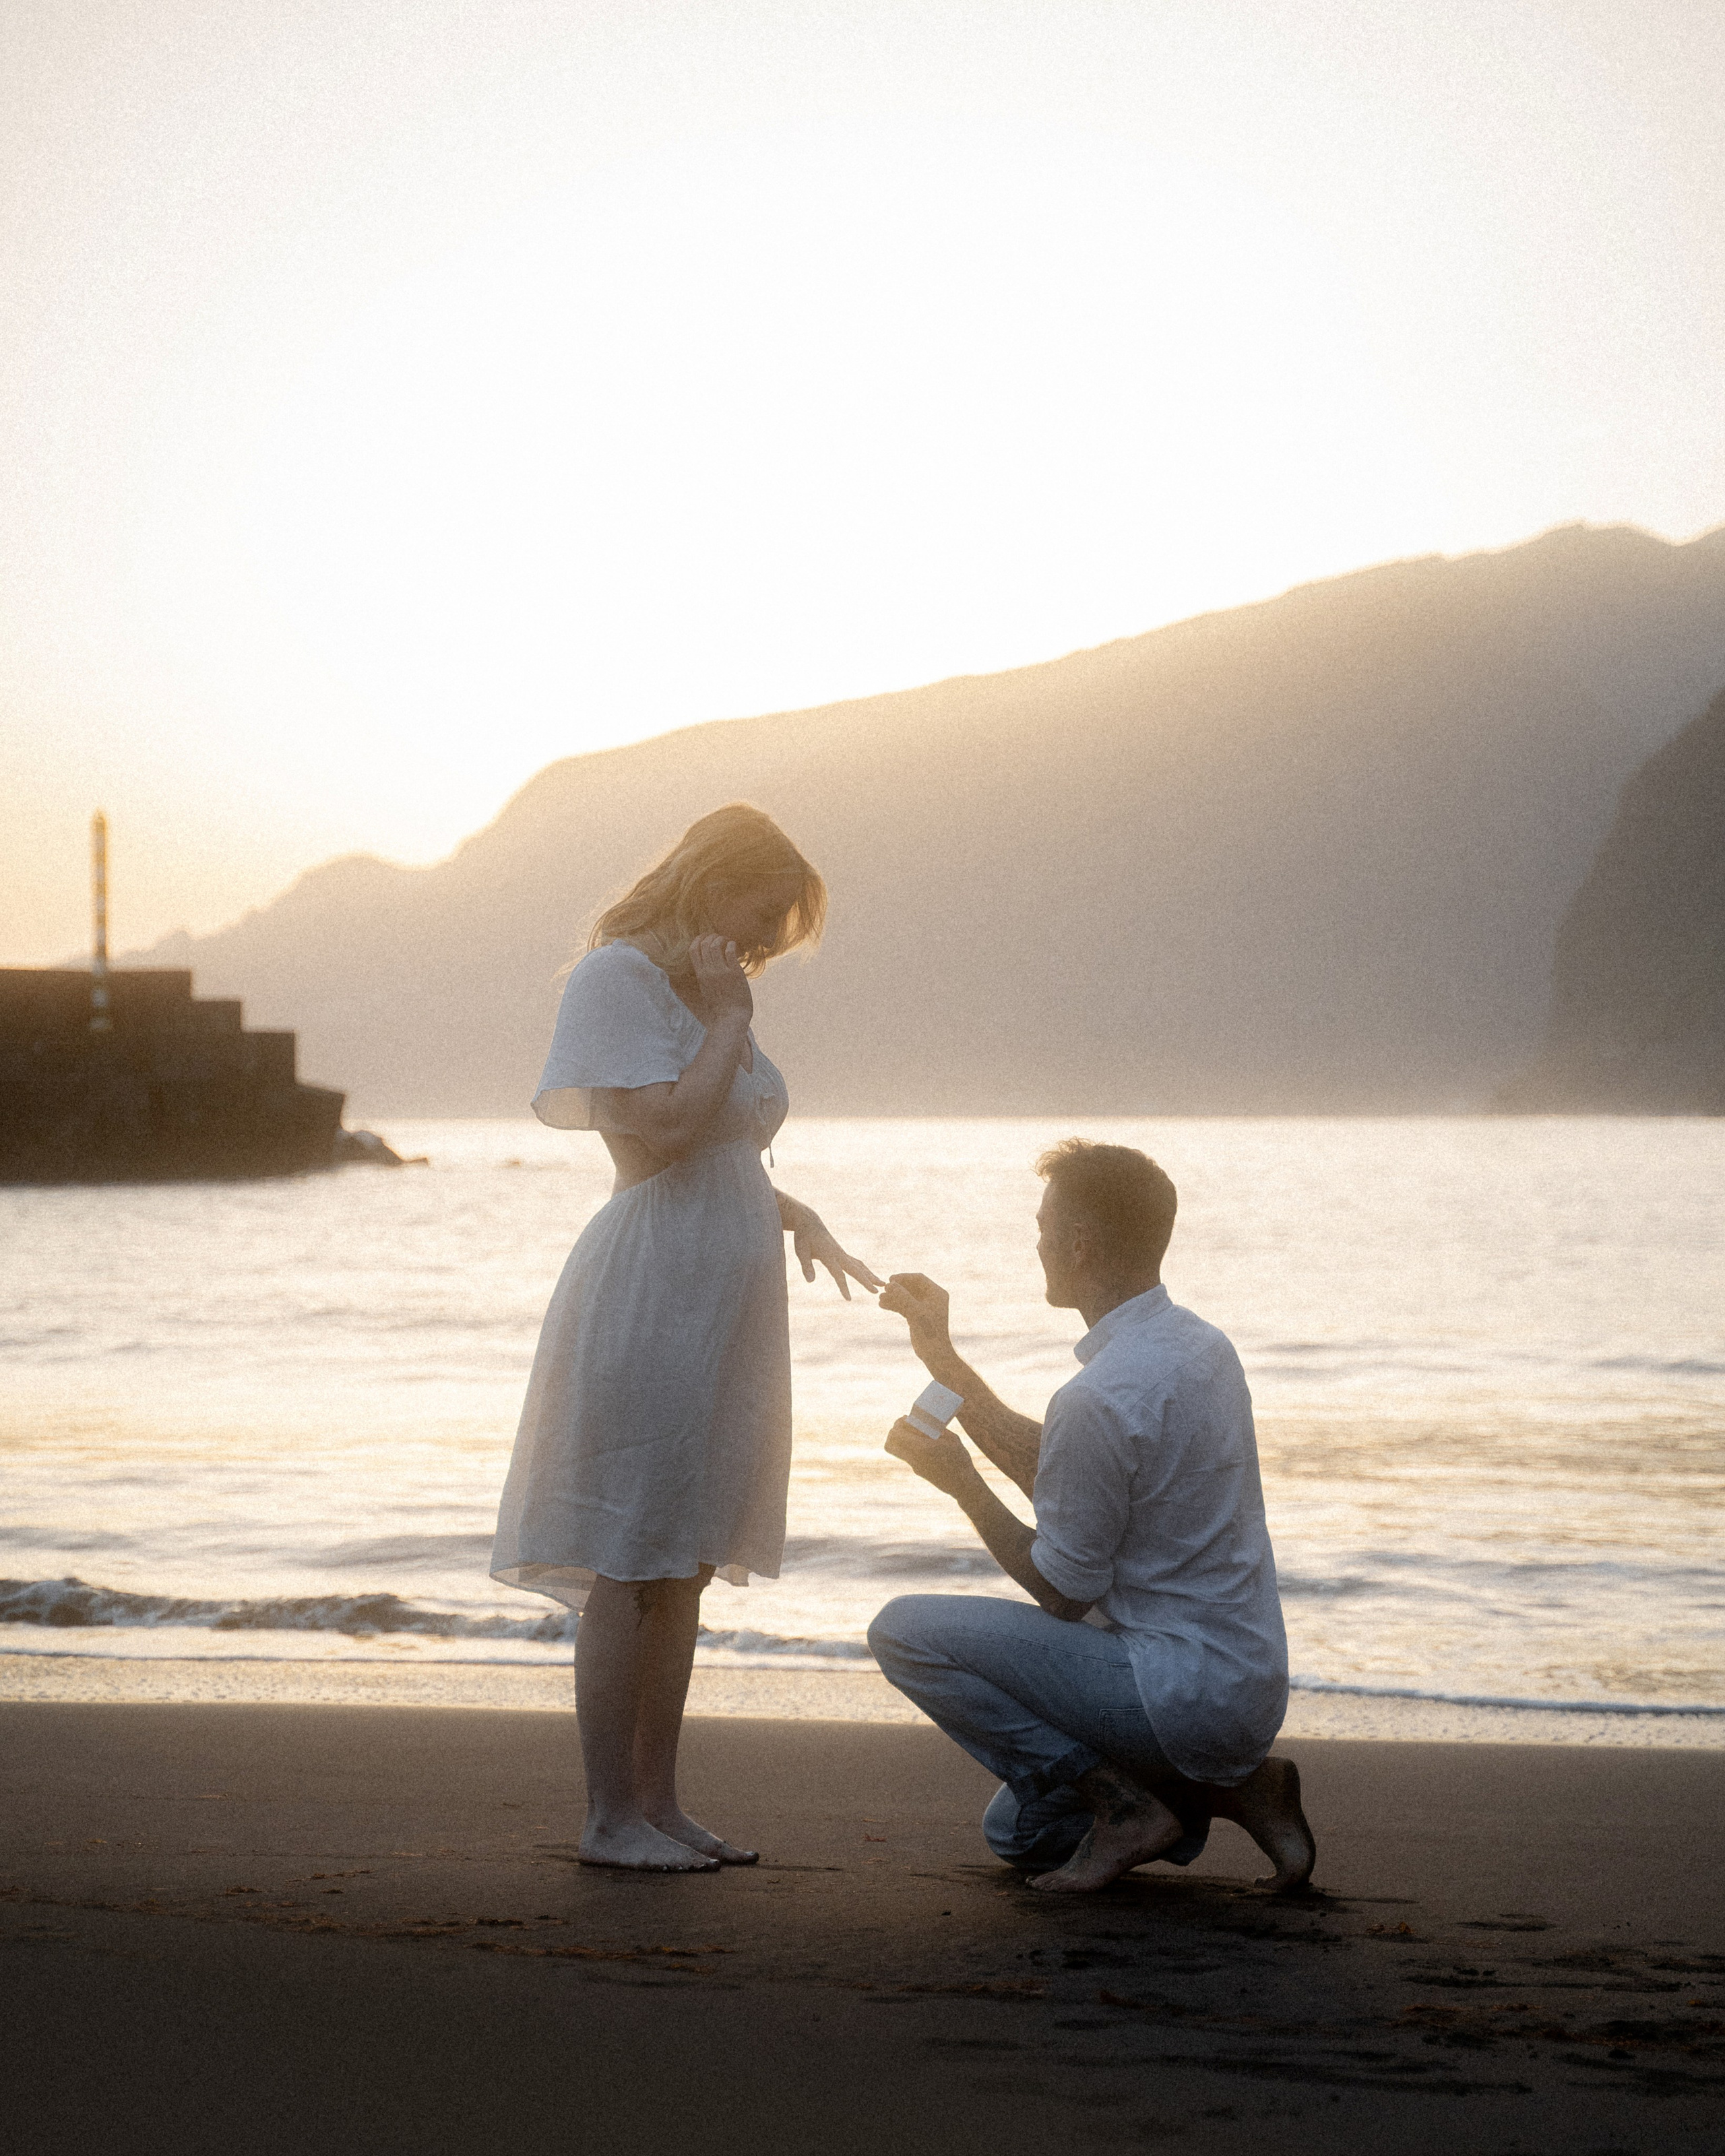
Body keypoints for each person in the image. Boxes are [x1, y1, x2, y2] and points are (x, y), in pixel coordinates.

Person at [492, 803, 882, 1872]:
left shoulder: (713, 994)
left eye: (776, 935)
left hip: (725, 1303)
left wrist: (793, 1212)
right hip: (652, 1292)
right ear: (711, 882)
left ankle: (660, 1806)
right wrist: (724, 1019)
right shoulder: (617, 979)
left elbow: (724, 1148)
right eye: (759, 917)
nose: (761, 947)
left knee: (687, 1560)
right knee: (632, 1557)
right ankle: (608, 1815)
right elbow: (659, 1137)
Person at [869, 1139, 1314, 1895]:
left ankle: (1125, 1808)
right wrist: (941, 1359)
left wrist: (962, 1483)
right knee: (1019, 1831)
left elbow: (1062, 1592)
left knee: (902, 1630)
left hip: (1172, 1690)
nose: (1036, 1240)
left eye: (1044, 1225)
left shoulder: (1098, 1395)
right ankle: (1240, 1788)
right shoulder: (1202, 1348)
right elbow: (1071, 1473)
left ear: (1079, 1242)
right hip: (1246, 1686)